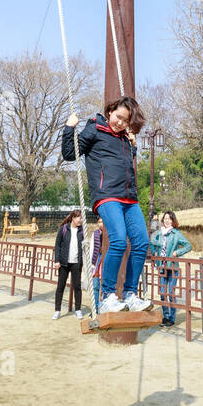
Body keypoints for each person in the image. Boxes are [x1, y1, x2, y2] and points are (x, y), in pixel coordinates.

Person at [62, 97, 152, 314]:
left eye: (125, 120)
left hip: (129, 197)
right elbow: (69, 154)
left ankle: (130, 294)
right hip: (107, 195)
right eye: (118, 117)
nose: (120, 122)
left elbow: (125, 165)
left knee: (141, 243)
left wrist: (134, 147)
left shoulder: (124, 138)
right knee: (119, 241)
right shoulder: (94, 130)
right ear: (110, 111)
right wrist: (68, 128)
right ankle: (107, 296)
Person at [149, 210, 191, 327]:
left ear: (173, 220)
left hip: (172, 267)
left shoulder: (176, 234)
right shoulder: (159, 233)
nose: (167, 221)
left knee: (171, 293)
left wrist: (177, 252)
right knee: (162, 293)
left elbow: (188, 245)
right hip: (162, 266)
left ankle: (171, 318)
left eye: (169, 219)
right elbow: (152, 243)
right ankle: (165, 316)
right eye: (165, 219)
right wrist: (155, 256)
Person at [52, 209, 86, 320]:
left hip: (76, 263)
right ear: (73, 218)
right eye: (79, 218)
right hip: (63, 263)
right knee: (60, 287)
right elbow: (57, 246)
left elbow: (84, 247)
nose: (81, 220)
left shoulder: (82, 231)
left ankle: (78, 310)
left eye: (81, 218)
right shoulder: (64, 229)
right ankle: (57, 310)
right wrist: (57, 260)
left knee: (77, 287)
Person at [88, 215, 106, 311]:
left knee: (104, 288)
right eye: (99, 222)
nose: (100, 224)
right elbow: (92, 249)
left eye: (102, 222)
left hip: (105, 262)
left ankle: (102, 308)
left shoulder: (110, 234)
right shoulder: (95, 234)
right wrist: (91, 264)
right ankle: (95, 308)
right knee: (95, 286)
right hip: (96, 261)